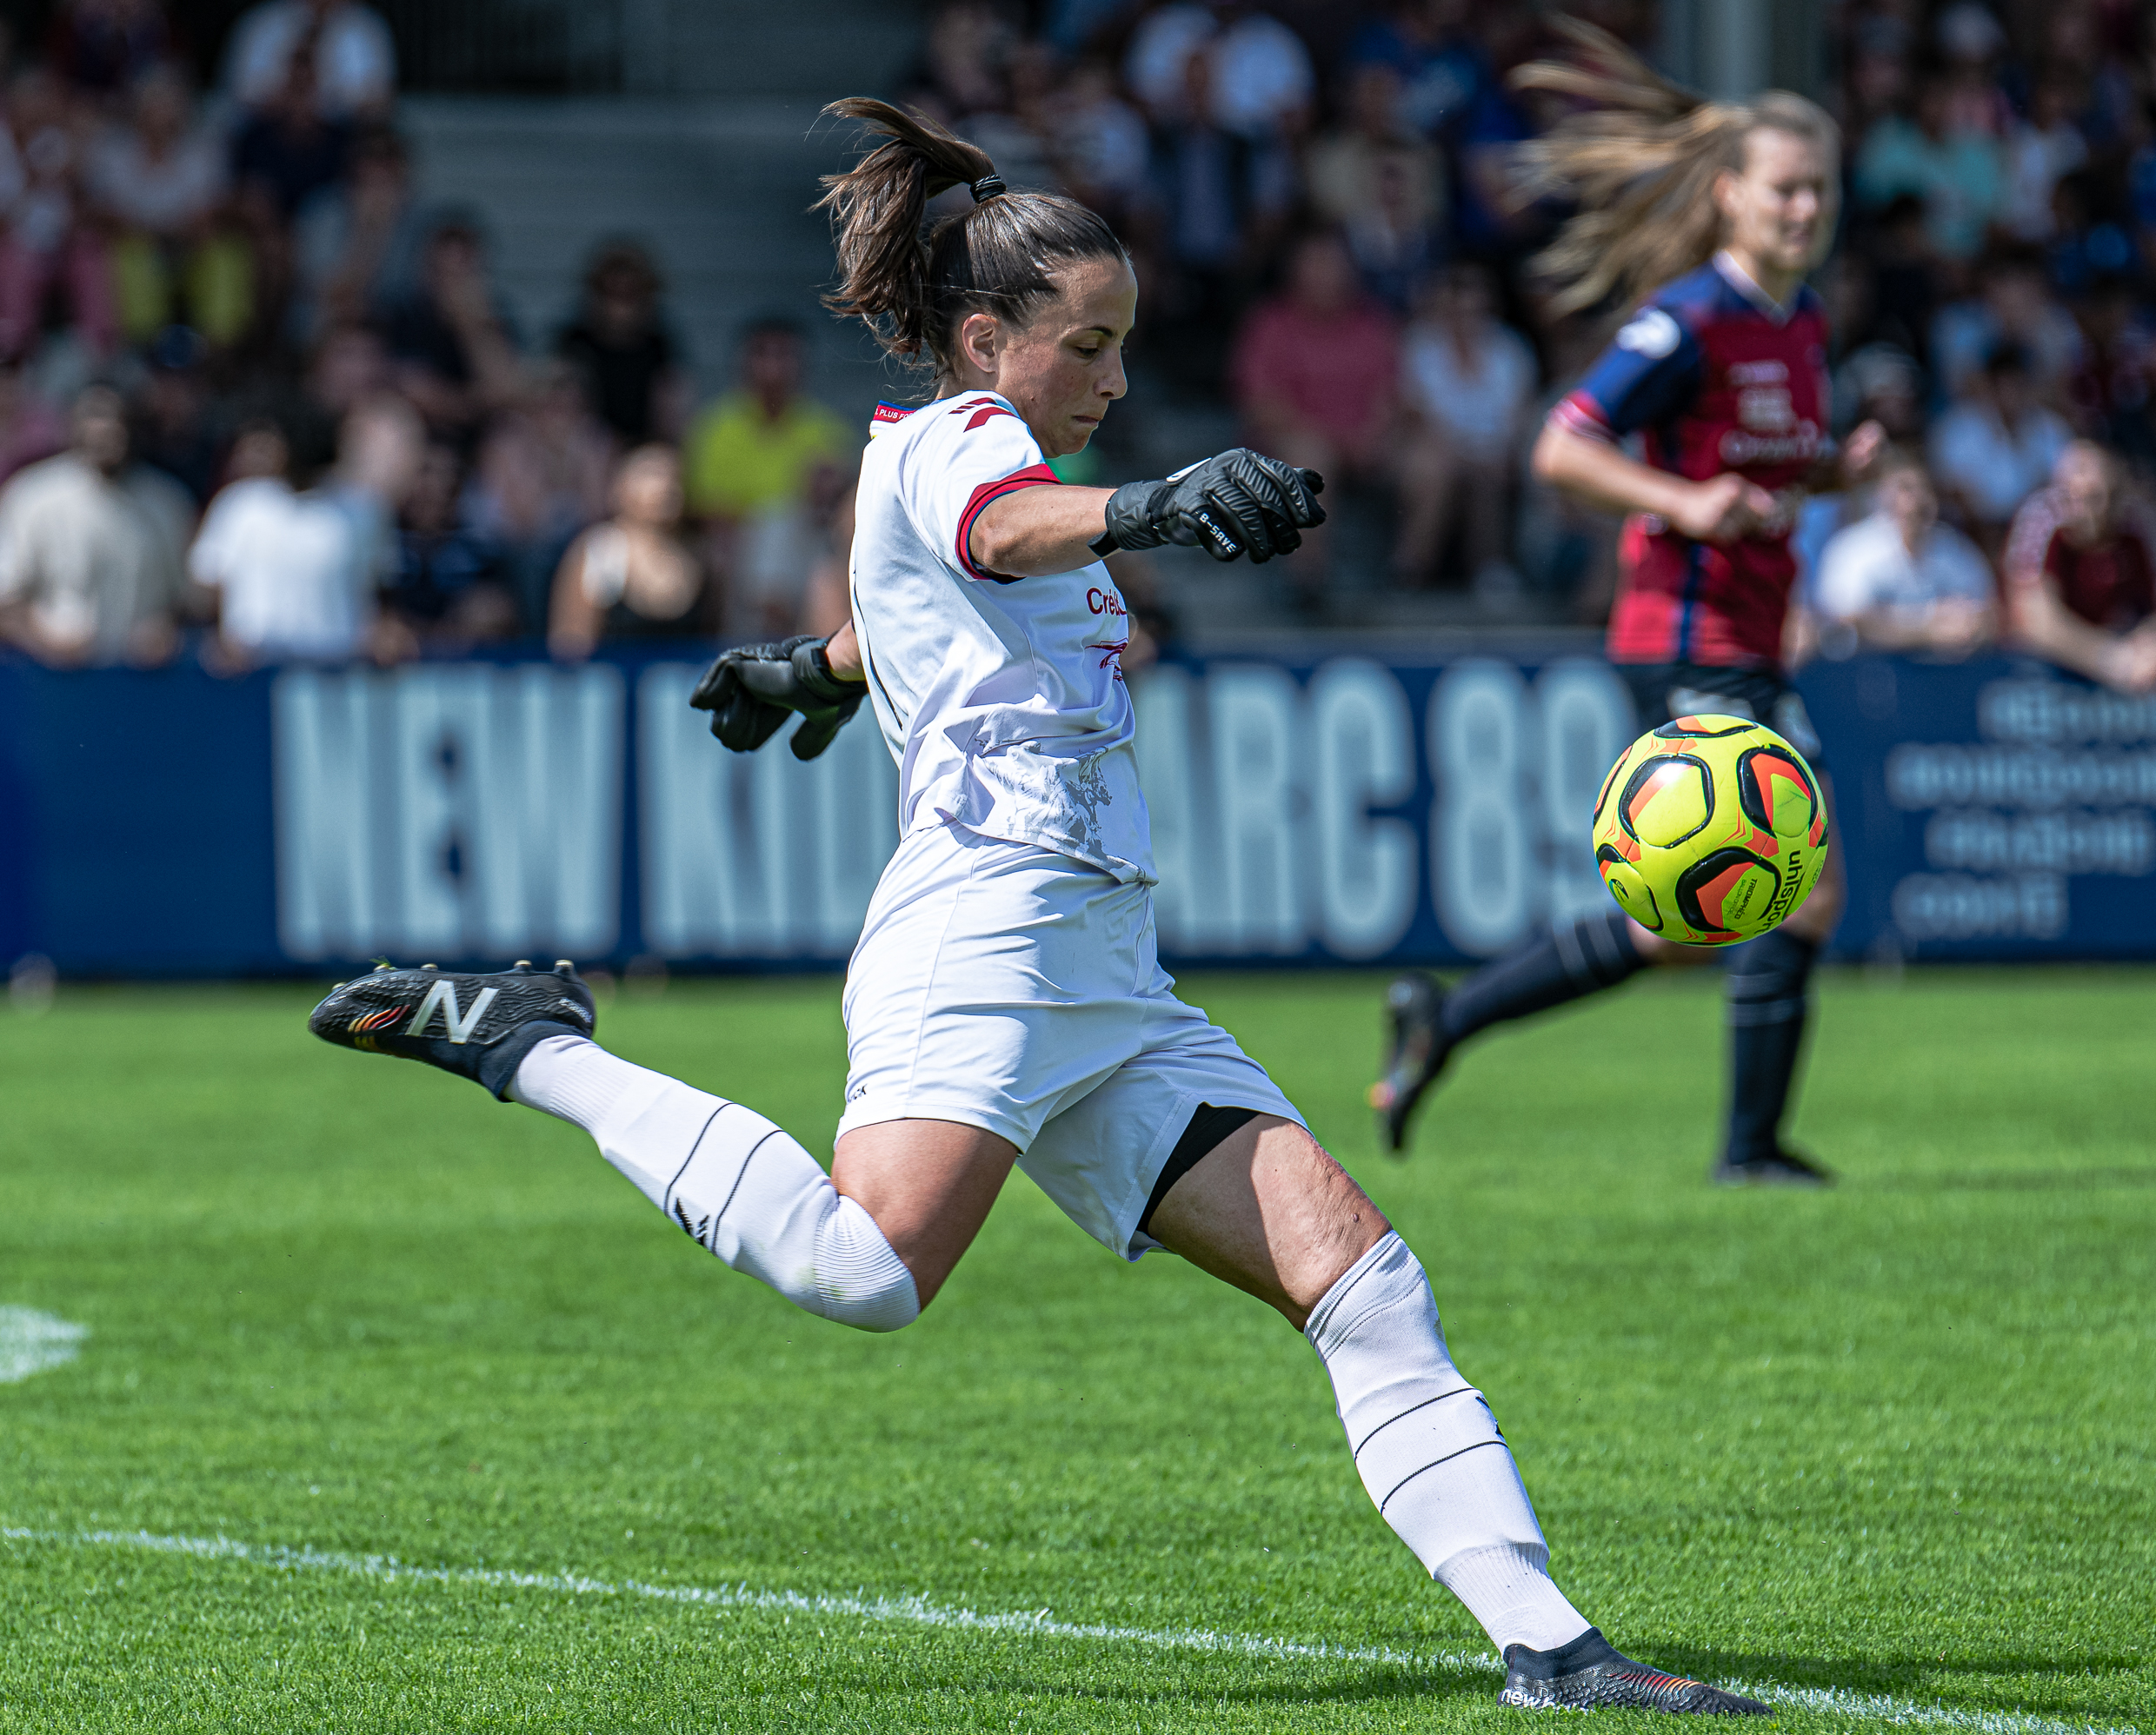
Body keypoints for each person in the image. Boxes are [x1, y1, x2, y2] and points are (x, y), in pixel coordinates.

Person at [307, 97, 1770, 1717]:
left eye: (1129, 345)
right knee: (865, 1272)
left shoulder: (939, 463)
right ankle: (532, 1042)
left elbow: (934, 599)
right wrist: (1156, 502)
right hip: (984, 937)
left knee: (1366, 1280)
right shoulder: (963, 444)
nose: (1119, 379)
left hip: (1104, 975)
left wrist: (819, 670)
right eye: (1092, 345)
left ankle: (1553, 1652)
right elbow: (1004, 527)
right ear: (988, 335)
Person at [1373, 22, 1882, 1187]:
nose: (1805, 211)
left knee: (1675, 928)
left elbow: (1764, 465)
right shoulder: (1690, 318)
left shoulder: (1798, 321)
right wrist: (1685, 503)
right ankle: (1749, 1157)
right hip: (1686, 634)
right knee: (1805, 880)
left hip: (1750, 635)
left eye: (1820, 192)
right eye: (1786, 191)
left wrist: (1834, 472)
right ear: (1729, 196)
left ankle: (1440, 1025)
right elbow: (1563, 448)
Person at [0, 382, 193, 667]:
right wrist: (44, 642)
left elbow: (188, 603)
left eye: (117, 417)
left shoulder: (166, 503)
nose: (106, 428)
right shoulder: (32, 497)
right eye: (95, 415)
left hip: (142, 684)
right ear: (73, 424)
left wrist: (165, 631)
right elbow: (6, 602)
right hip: (50, 684)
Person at [682, 318, 850, 637]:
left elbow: (838, 513)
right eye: (764, 355)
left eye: (783, 356)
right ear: (744, 362)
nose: (774, 367)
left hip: (807, 544)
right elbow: (706, 514)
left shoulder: (827, 430)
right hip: (736, 547)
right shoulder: (715, 428)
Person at [1394, 261, 1536, 596]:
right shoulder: (1419, 347)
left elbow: (1520, 418)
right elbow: (1417, 419)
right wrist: (1470, 456)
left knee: (1488, 472)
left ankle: (1489, 570)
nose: (1464, 314)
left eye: (1473, 305)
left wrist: (1503, 453)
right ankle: (1414, 567)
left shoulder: (1511, 351)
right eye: (1455, 305)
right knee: (1440, 466)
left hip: (1496, 455)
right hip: (1438, 452)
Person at [2004, 440, 2156, 693]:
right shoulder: (2041, 517)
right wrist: (2107, 658)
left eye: (2094, 497)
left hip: (2125, 667)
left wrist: (2148, 646)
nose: (2080, 511)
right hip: (2046, 678)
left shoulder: (2136, 523)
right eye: (2070, 496)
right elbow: (2034, 619)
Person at [1812, 448, 1994, 657]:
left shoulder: (1953, 549)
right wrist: (1925, 630)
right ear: (1881, 495)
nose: (1916, 500)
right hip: (1867, 674)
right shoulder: (1853, 549)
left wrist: (1970, 625)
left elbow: (1986, 613)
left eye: (1924, 489)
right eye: (1905, 489)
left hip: (1942, 673)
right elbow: (1846, 619)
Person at [547, 442, 701, 657]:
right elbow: (570, 644)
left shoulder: (696, 555)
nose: (667, 485)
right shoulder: (601, 552)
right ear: (620, 486)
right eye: (652, 474)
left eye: (673, 476)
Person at [1927, 344, 2071, 545]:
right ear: (1988, 385)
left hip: (2036, 532)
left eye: (2017, 385)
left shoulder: (2053, 428)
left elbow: (2060, 486)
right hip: (1971, 534)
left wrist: (2027, 528)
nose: (2009, 394)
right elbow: (1949, 489)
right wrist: (1985, 533)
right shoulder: (1957, 427)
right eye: (2001, 385)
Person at [554, 239, 689, 449]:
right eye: (611, 292)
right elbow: (559, 402)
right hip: (583, 449)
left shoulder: (659, 345)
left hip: (642, 449)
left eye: (629, 293)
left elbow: (670, 413)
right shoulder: (575, 342)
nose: (619, 306)